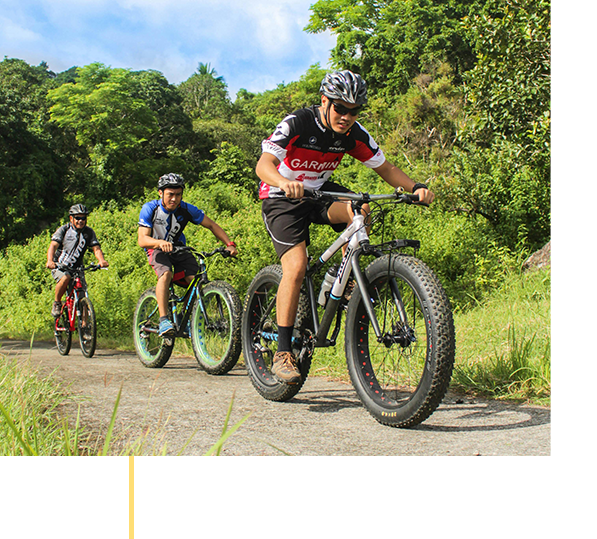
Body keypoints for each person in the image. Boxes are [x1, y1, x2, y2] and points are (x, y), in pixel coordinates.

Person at [256, 70, 434, 384]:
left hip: (319, 193)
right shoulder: (297, 123)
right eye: (340, 108)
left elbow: (386, 167)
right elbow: (264, 164)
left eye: (354, 111)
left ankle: (338, 278)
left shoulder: (353, 133)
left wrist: (415, 187)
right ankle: (283, 352)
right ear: (325, 102)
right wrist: (285, 181)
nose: (347, 117)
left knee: (360, 208)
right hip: (282, 196)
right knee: (295, 268)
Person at [137, 173, 237, 336]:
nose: (174, 199)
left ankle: (185, 318)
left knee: (195, 279)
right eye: (170, 194)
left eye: (178, 195)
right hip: (155, 247)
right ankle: (163, 320)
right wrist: (159, 243)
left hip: (178, 248)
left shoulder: (186, 209)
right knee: (166, 273)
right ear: (160, 193)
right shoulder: (150, 209)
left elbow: (211, 225)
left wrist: (229, 244)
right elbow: (142, 239)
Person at [46, 204, 108, 317]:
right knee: (66, 277)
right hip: (60, 266)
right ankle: (57, 303)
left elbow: (96, 248)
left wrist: (101, 261)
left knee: (82, 295)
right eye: (78, 218)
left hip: (77, 268)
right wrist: (50, 261)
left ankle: (85, 328)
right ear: (71, 218)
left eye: (83, 218)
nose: (81, 221)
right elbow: (53, 246)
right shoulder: (64, 230)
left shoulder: (88, 232)